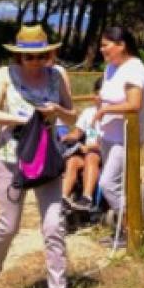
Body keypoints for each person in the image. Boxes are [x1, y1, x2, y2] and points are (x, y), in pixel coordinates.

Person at [0, 24, 81, 288]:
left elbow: (72, 114)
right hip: (12, 158)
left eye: (41, 56)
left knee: (54, 225)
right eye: (29, 58)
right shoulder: (4, 75)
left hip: (48, 158)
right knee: (8, 226)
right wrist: (23, 120)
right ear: (18, 58)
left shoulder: (58, 75)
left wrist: (57, 113)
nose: (36, 63)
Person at [94, 27, 144, 246]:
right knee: (119, 184)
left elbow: (134, 104)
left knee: (109, 184)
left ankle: (134, 229)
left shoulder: (134, 70)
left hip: (126, 137)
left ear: (121, 45)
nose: (102, 50)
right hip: (110, 136)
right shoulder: (111, 68)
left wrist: (105, 111)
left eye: (105, 45)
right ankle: (124, 230)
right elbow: (110, 96)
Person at [61, 77, 103, 211]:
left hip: (102, 153)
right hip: (86, 150)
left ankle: (87, 198)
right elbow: (78, 133)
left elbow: (107, 143)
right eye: (97, 94)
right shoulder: (89, 113)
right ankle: (63, 197)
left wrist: (89, 147)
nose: (99, 98)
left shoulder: (113, 116)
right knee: (73, 160)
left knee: (91, 157)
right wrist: (66, 137)